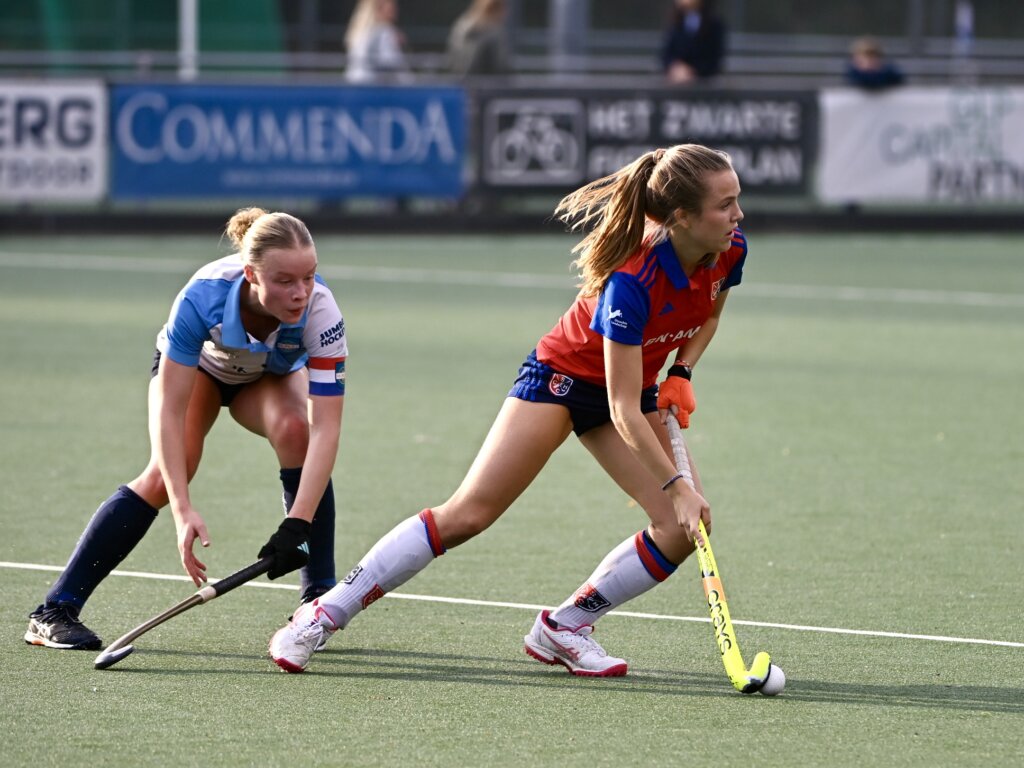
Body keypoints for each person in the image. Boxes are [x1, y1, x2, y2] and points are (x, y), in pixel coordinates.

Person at [270, 143, 748, 675]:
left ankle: (565, 627)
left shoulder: (730, 248)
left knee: (681, 531)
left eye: (736, 199)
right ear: (682, 217)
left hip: (631, 387)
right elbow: (620, 410)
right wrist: (676, 487)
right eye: (725, 204)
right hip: (563, 382)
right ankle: (322, 614)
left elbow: (708, 316)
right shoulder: (632, 281)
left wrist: (682, 372)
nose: (738, 214)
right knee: (468, 515)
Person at [24, 208, 349, 651]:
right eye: (284, 281)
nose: (300, 293)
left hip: (267, 377)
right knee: (164, 475)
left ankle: (318, 602)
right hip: (203, 373)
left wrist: (298, 523)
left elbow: (326, 428)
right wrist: (182, 510)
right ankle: (54, 610)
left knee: (298, 432)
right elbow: (170, 411)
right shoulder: (203, 296)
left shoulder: (321, 311)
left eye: (309, 277)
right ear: (251, 275)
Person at [345, 0, 411, 84]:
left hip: (355, 84)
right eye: (392, 6)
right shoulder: (384, 31)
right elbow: (389, 63)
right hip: (374, 86)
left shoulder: (359, 31)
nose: (396, 9)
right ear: (379, 8)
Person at [661, 0, 727, 84]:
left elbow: (714, 60)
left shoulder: (714, 24)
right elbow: (666, 54)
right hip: (676, 82)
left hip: (704, 84)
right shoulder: (676, 23)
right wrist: (675, 67)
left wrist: (691, 71)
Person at [447, 0, 510, 78]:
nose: (505, 14)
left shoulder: (463, 25)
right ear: (493, 9)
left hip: (462, 78)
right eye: (503, 10)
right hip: (479, 80)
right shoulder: (490, 33)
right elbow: (498, 65)